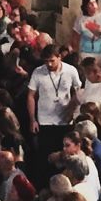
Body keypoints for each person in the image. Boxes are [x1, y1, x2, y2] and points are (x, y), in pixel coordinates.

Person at [27, 43, 81, 183]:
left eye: (52, 60)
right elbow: (31, 96)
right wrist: (32, 119)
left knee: (64, 156)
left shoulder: (71, 71)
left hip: (64, 121)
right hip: (45, 121)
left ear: (59, 57)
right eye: (46, 61)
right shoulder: (38, 72)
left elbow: (78, 91)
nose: (49, 64)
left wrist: (72, 110)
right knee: (46, 157)